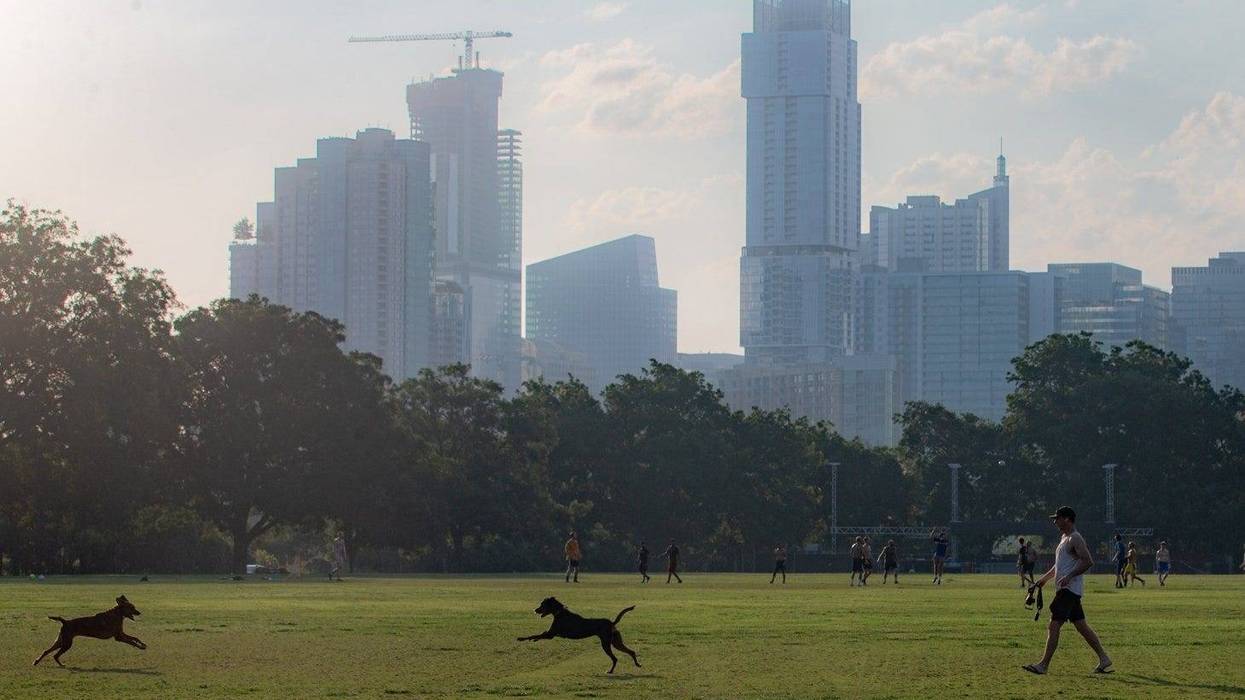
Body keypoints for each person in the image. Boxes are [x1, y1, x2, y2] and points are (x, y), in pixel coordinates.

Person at [1022, 506, 1114, 676]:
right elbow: (1058, 566)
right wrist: (1042, 580)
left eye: (1057, 518)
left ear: (1067, 519)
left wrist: (1070, 576)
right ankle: (1104, 659)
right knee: (1082, 626)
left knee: (1053, 625)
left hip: (1068, 590)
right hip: (1067, 590)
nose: (1055, 522)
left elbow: (1088, 561)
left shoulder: (1075, 538)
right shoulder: (1064, 538)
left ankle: (1043, 665)